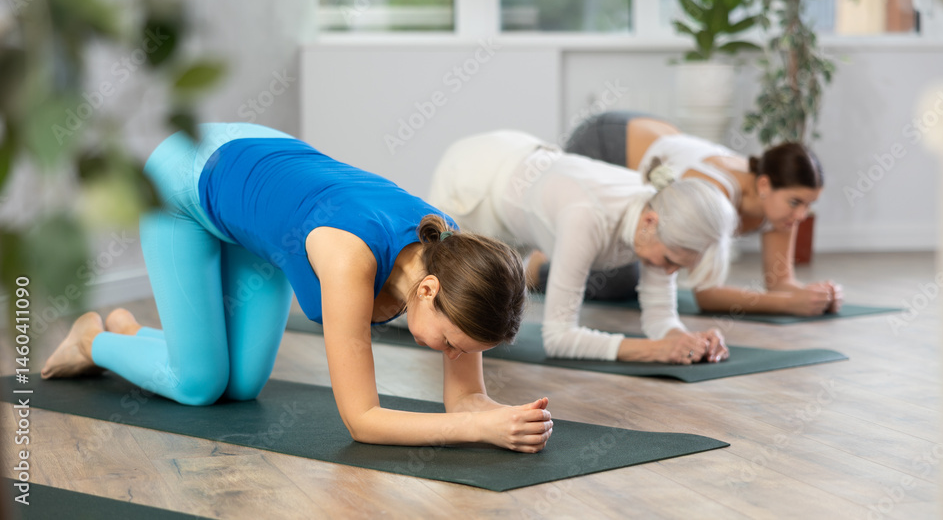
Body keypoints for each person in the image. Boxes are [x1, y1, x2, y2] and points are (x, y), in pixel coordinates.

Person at [41, 123, 553, 454]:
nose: (453, 355)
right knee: (200, 384)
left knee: (241, 387)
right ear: (427, 290)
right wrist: (474, 429)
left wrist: (502, 418)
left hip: (262, 202)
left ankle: (133, 333)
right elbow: (363, 421)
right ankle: (92, 341)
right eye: (452, 343)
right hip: (187, 177)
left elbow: (465, 399)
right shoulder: (349, 260)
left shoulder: (456, 258)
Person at [428, 130, 738, 363]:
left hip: (522, 180)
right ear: (650, 222)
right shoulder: (587, 217)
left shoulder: (662, 219)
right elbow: (558, 337)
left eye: (679, 266)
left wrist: (686, 340)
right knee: (431, 308)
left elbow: (660, 315)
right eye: (670, 260)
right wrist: (654, 350)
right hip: (474, 178)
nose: (670, 272)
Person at [556, 110, 843, 317]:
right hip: (607, 140)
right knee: (619, 280)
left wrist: (816, 295)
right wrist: (789, 304)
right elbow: (707, 294)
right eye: (796, 202)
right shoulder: (715, 194)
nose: (802, 214)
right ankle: (542, 261)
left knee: (641, 268)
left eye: (809, 205)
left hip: (655, 137)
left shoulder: (782, 209)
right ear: (765, 185)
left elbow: (779, 282)